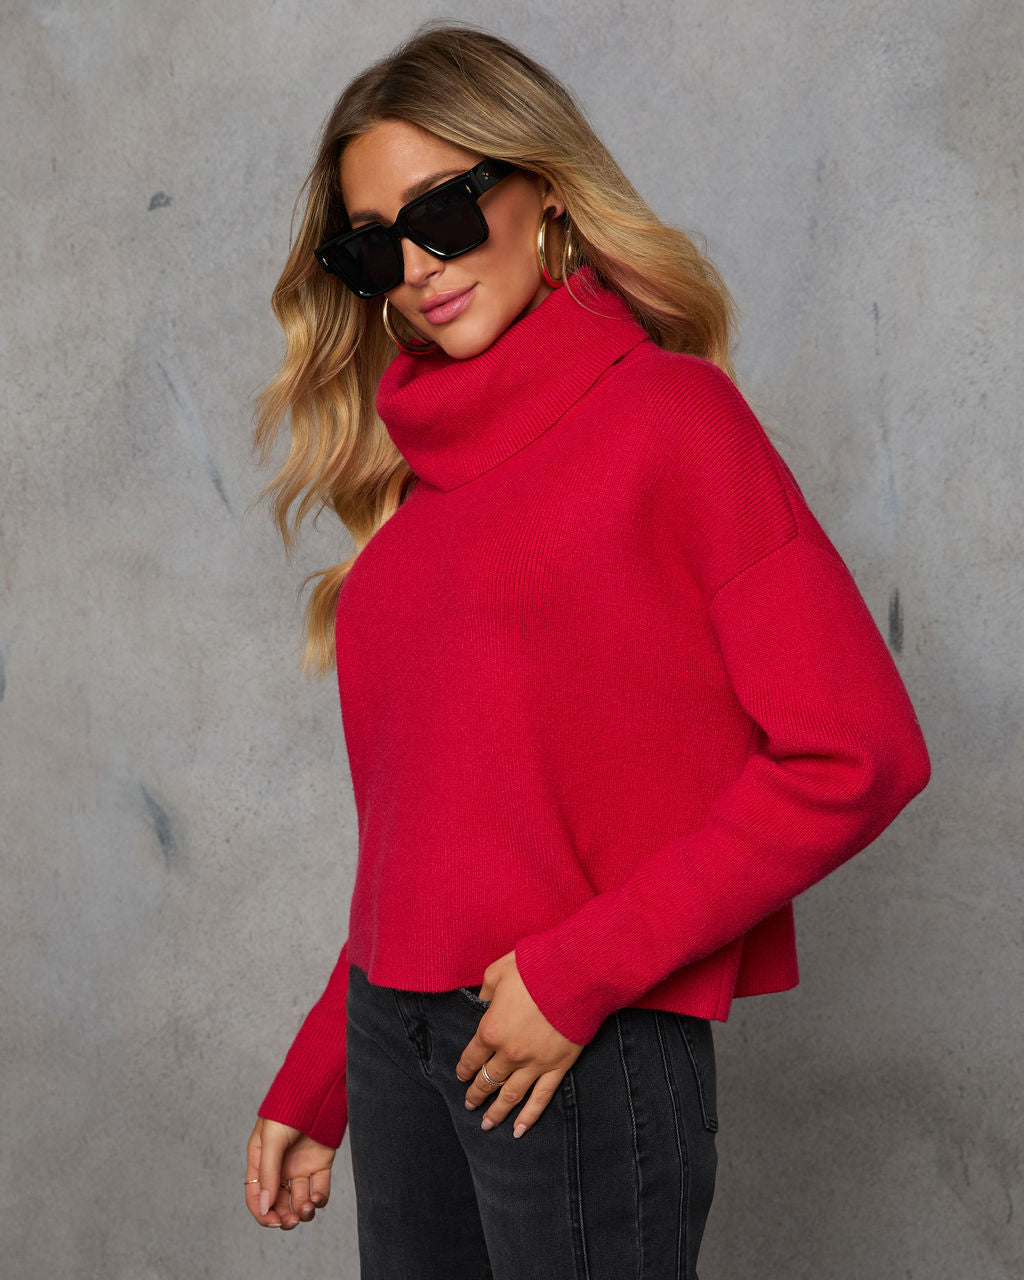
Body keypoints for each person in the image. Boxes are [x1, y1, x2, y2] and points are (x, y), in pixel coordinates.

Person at [242, 20, 931, 1279]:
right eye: (374, 244)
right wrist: (322, 1071)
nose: (417, 267)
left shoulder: (670, 420)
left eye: (444, 212)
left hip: (577, 1038)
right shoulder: (410, 502)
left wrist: (579, 972)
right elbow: (435, 835)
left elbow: (859, 750)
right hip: (395, 1043)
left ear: (543, 189)